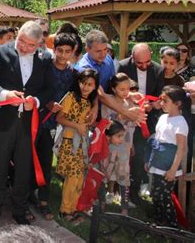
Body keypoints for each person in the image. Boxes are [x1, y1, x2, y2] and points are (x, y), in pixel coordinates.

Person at [0, 20, 54, 228]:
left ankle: (20, 211)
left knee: (24, 170)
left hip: (28, 124)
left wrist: (35, 102)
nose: (23, 47)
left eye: (30, 45)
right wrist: (5, 94)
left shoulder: (45, 59)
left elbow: (49, 89)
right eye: (21, 41)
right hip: (2, 122)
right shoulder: (1, 52)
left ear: (39, 45)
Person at [36, 33, 78, 221]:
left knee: (58, 163)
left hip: (64, 124)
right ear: (54, 49)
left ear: (73, 52)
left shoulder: (74, 73)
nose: (62, 55)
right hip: (42, 122)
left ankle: (61, 199)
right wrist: (48, 104)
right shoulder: (44, 67)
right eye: (59, 50)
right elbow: (36, 90)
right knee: (43, 161)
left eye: (67, 51)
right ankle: (42, 201)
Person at [117, 43, 165, 204]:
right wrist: (131, 98)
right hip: (126, 115)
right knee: (122, 153)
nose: (144, 66)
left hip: (147, 119)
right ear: (132, 57)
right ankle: (118, 188)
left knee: (139, 155)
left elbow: (159, 94)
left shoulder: (158, 69)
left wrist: (152, 105)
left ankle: (135, 190)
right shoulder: (122, 66)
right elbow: (115, 89)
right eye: (139, 63)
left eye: (147, 62)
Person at [55, 68, 99, 223]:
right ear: (78, 83)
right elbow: (59, 118)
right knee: (72, 178)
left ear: (95, 87)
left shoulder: (89, 102)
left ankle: (74, 208)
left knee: (80, 177)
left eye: (90, 85)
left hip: (82, 144)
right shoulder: (71, 97)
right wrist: (77, 126)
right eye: (83, 83)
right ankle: (65, 210)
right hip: (69, 142)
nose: (85, 87)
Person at [145, 85, 189, 228]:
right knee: (155, 194)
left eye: (166, 101)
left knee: (164, 196)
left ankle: (172, 226)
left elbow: (181, 148)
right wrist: (149, 160)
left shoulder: (180, 122)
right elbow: (157, 139)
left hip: (169, 167)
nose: (162, 103)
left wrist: (173, 169)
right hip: (157, 163)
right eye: (161, 100)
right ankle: (159, 222)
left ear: (178, 103)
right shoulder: (163, 117)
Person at [101, 73, 137, 215]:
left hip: (124, 147)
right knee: (104, 172)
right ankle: (101, 203)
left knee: (124, 174)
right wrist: (119, 116)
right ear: (114, 88)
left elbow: (132, 128)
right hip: (108, 146)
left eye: (128, 88)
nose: (126, 92)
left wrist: (131, 145)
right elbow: (105, 122)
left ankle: (124, 208)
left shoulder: (130, 103)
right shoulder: (108, 101)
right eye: (122, 89)